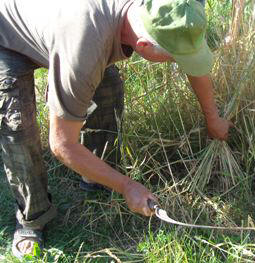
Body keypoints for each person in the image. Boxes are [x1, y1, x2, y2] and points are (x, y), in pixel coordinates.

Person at [0, 0, 232, 258]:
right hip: (7, 34)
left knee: (108, 91)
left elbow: (190, 56)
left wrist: (213, 118)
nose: (174, 64)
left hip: (62, 28)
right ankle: (33, 218)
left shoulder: (168, 10)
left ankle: (97, 180)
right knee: (17, 126)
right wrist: (127, 186)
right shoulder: (85, 48)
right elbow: (61, 144)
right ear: (144, 46)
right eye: (172, 59)